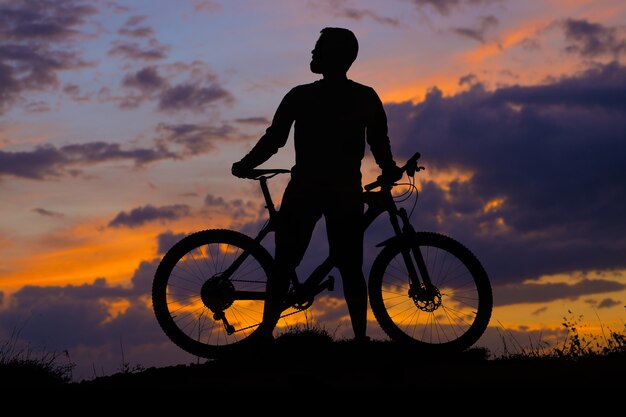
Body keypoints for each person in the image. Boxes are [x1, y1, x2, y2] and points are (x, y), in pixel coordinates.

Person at [232, 27, 402, 342]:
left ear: (331, 56)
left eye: (318, 49)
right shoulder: (365, 96)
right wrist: (390, 168)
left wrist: (245, 165)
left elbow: (274, 140)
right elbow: (379, 142)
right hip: (343, 191)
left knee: (286, 262)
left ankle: (265, 334)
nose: (312, 53)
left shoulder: (301, 95)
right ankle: (360, 339)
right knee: (350, 267)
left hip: (306, 189)